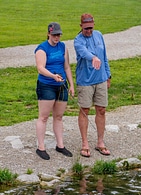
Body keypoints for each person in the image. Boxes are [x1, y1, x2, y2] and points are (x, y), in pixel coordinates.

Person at [34, 22, 75, 160]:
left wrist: (71, 85)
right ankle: (41, 147)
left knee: (58, 116)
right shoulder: (42, 49)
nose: (57, 37)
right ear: (48, 34)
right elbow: (40, 68)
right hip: (47, 85)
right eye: (54, 35)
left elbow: (67, 67)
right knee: (44, 116)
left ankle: (60, 145)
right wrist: (52, 76)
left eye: (58, 35)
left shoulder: (63, 47)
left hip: (61, 85)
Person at [74, 13, 111, 158]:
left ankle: (100, 142)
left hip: (100, 78)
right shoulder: (78, 40)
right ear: (81, 26)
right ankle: (85, 143)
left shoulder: (99, 35)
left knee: (101, 109)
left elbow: (104, 57)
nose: (89, 31)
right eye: (86, 28)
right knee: (85, 110)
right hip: (85, 81)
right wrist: (93, 57)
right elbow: (84, 52)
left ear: (94, 25)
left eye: (90, 28)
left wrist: (108, 75)